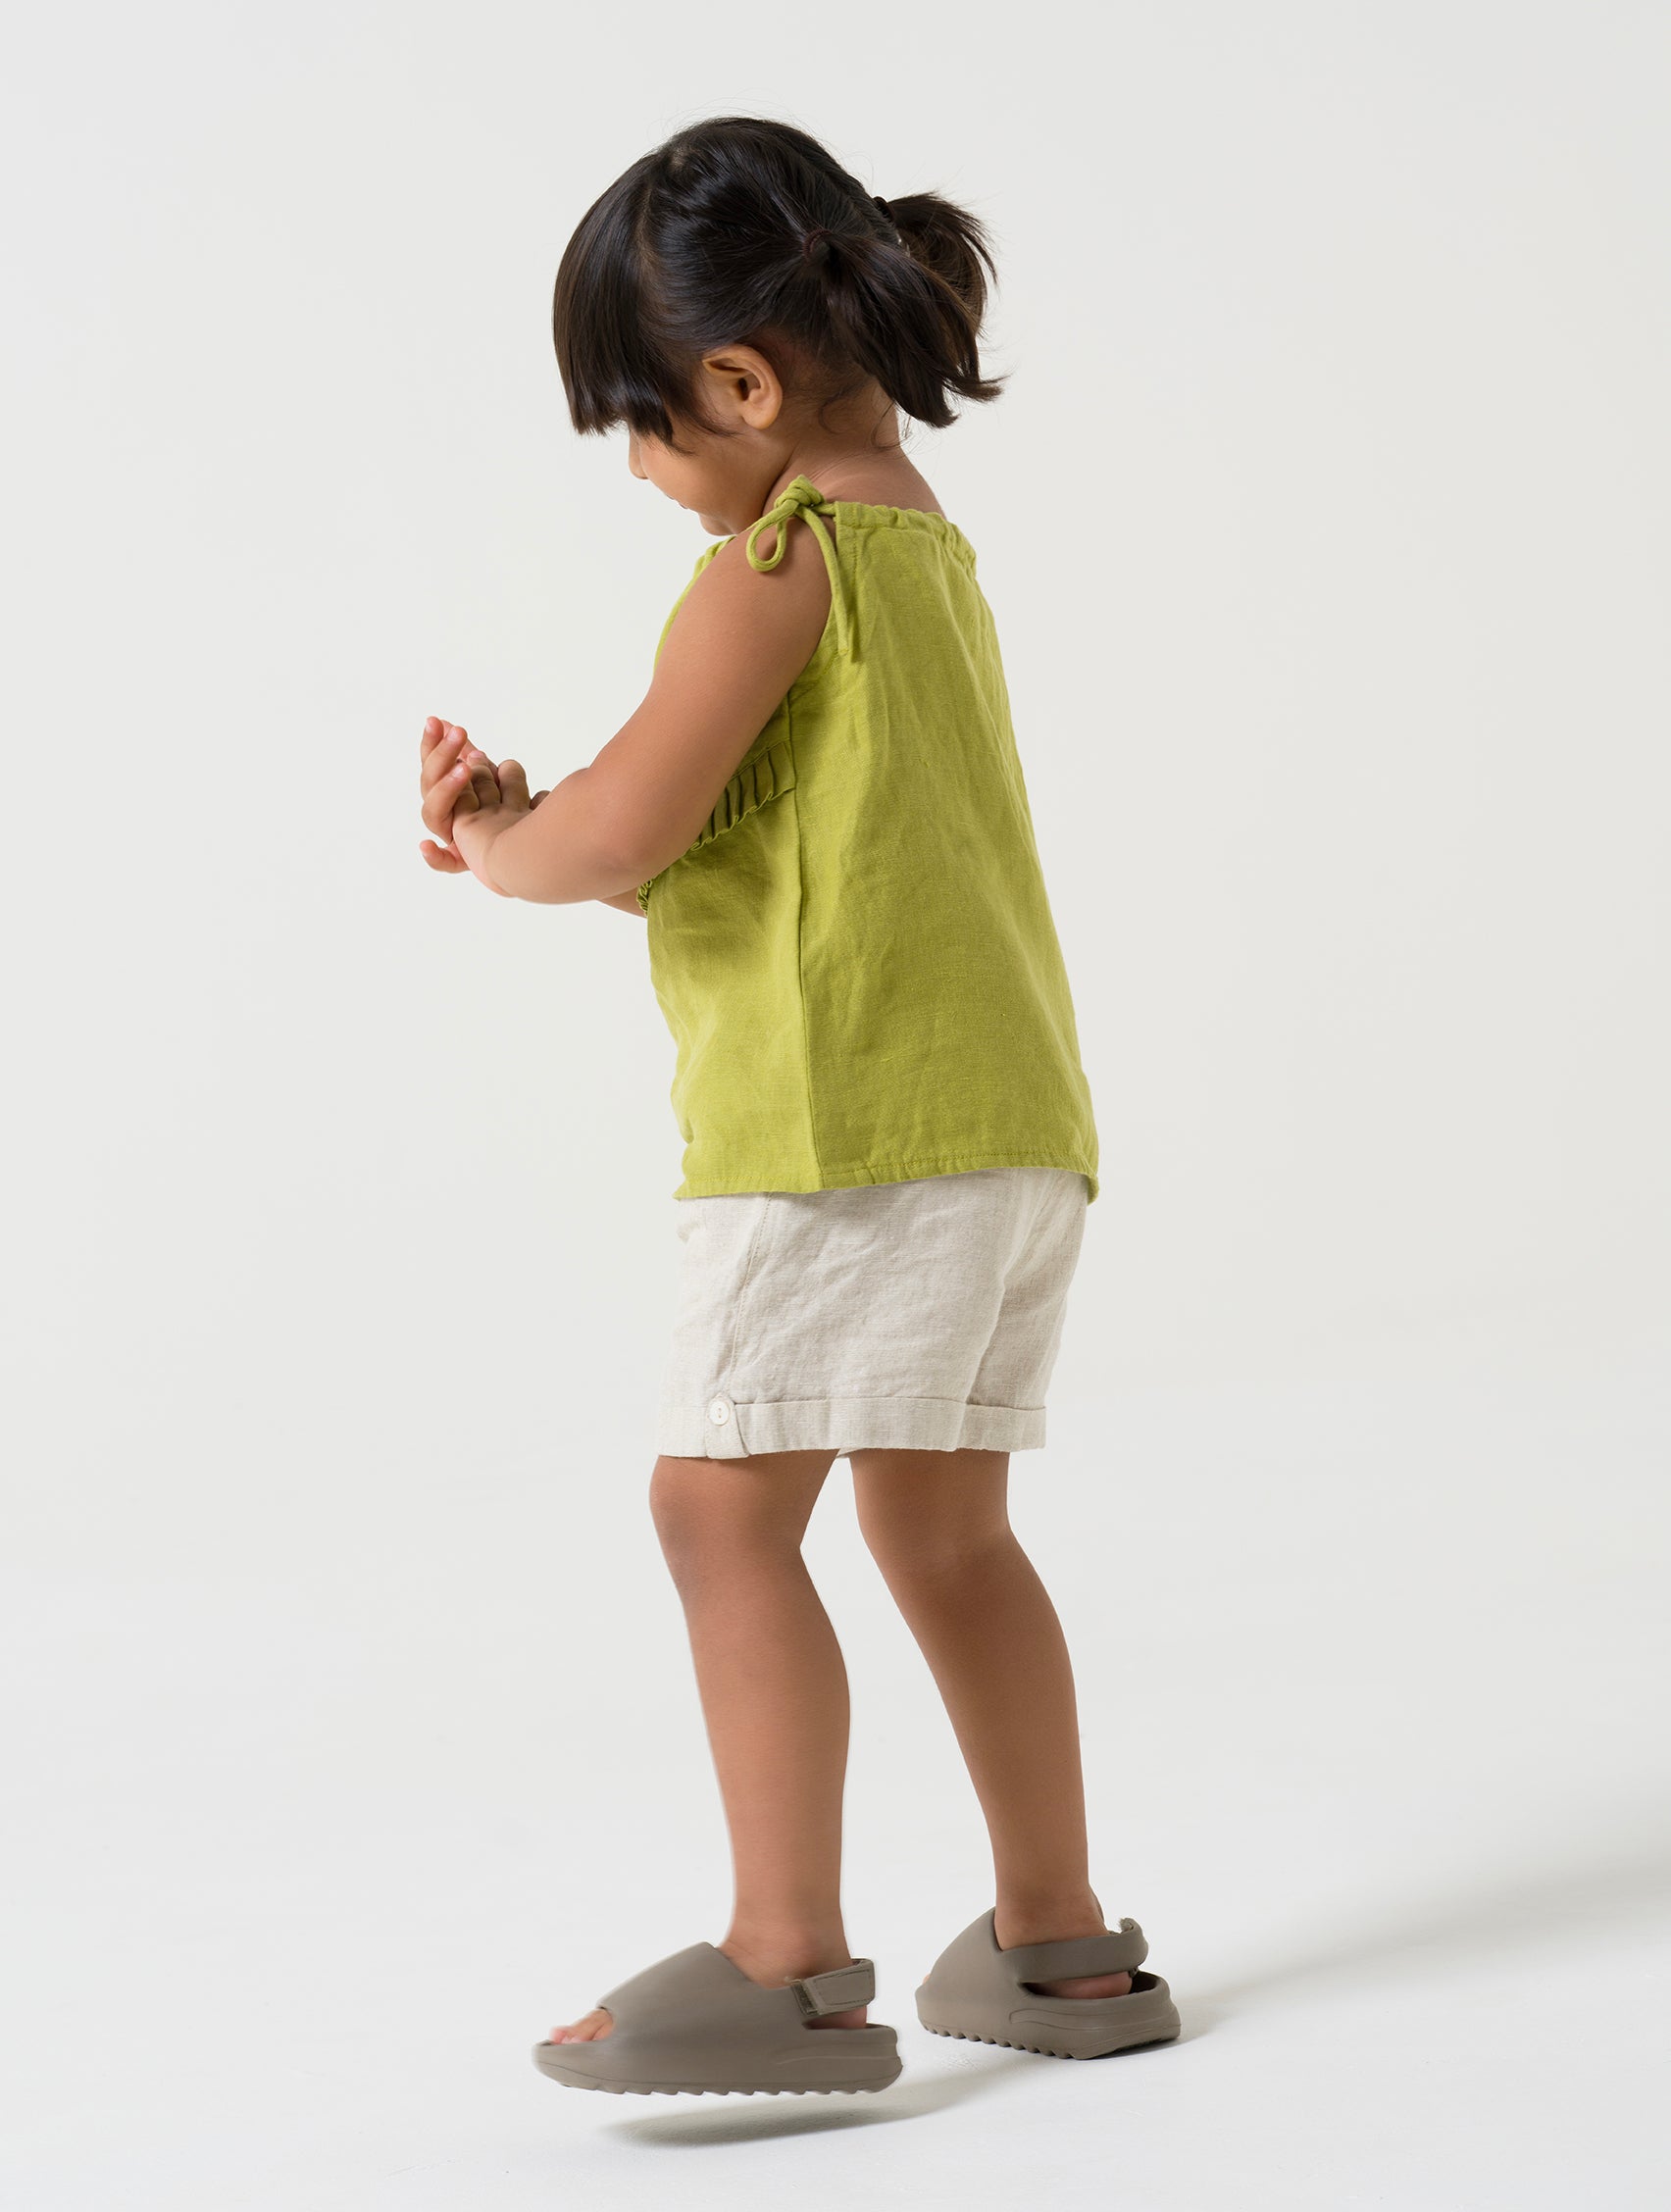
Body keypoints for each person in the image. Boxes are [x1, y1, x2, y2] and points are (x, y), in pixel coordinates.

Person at [416, 114, 1180, 2098]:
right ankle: (1058, 1939)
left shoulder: (773, 569)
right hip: (1005, 1127)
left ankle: (788, 1963)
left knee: (715, 1507)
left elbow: (623, 831)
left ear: (742, 388)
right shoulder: (926, 552)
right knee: (949, 1535)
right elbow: (776, 839)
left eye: (640, 424)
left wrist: (498, 840)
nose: (643, 470)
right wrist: (563, 824)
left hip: (842, 1139)